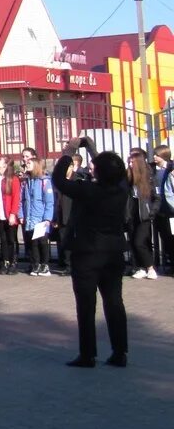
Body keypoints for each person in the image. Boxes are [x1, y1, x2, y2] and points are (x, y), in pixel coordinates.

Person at [53, 137, 129, 368]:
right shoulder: (121, 189)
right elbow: (112, 171)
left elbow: (58, 180)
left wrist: (69, 151)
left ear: (97, 171)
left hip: (87, 254)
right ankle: (120, 352)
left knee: (86, 305)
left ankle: (88, 354)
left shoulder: (87, 190)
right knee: (114, 302)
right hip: (113, 252)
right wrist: (93, 150)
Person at [126, 149, 158, 280]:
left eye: (132, 161)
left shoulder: (148, 176)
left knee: (140, 242)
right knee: (133, 241)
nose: (130, 163)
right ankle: (140, 267)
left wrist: (152, 211)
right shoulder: (128, 176)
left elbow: (156, 197)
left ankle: (150, 268)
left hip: (144, 214)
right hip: (131, 213)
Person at [20, 159, 55, 276]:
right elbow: (22, 200)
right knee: (33, 242)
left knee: (42, 242)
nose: (26, 165)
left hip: (41, 217)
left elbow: (49, 201)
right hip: (30, 217)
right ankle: (36, 264)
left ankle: (45, 265)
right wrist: (21, 214)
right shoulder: (26, 181)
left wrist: (47, 218)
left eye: (29, 163)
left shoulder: (44, 181)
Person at [0, 156, 22, 275]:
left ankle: (13, 263)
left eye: (0, 160)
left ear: (6, 164)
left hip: (9, 214)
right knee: (3, 239)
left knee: (11, 240)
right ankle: (5, 262)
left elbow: (16, 197)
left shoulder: (13, 179)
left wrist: (13, 214)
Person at [153, 146, 174, 273]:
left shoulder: (171, 168)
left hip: (171, 209)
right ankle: (170, 263)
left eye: (157, 155)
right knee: (165, 238)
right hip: (160, 210)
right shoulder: (152, 169)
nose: (154, 157)